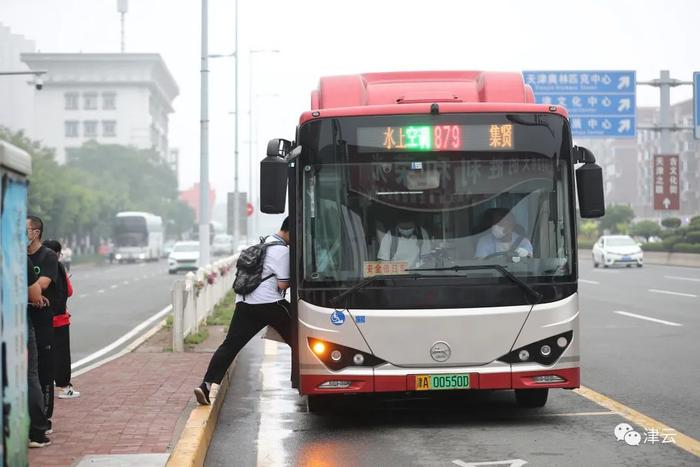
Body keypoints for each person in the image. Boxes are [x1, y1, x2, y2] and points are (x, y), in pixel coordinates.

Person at [194, 217, 292, 405]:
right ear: (290, 231)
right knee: (301, 336)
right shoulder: (281, 251)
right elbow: (282, 283)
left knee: (230, 345)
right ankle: (324, 375)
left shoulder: (262, 244)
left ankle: (205, 386)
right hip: (270, 304)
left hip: (244, 303)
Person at [27, 215, 59, 430]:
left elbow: (42, 285)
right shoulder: (18, 255)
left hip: (42, 320)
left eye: (25, 229)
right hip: (24, 318)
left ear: (36, 232)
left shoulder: (47, 256)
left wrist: (31, 291)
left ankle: (44, 418)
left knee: (44, 371)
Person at [43, 240, 80, 399]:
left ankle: (44, 386)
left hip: (41, 319)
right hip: (59, 319)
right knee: (61, 354)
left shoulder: (34, 264)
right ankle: (64, 388)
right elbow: (69, 291)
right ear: (57, 254)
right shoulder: (58, 267)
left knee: (43, 354)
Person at [27, 257, 52, 448]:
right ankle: (36, 433)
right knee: (29, 376)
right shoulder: (16, 255)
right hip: (14, 323)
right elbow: (35, 294)